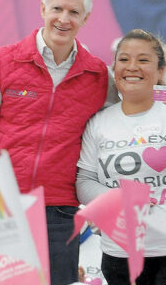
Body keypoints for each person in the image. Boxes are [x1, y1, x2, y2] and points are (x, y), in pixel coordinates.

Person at [0, 0, 119, 285]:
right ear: (43, 8)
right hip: (2, 206)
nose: (63, 18)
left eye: (73, 12)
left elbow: (122, 124)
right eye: (57, 8)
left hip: (61, 212)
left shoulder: (99, 76)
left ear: (86, 18)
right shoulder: (4, 62)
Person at [76, 29, 166, 285]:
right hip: (119, 255)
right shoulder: (99, 122)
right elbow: (84, 180)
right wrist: (120, 199)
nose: (132, 67)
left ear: (160, 71)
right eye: (124, 59)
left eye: (144, 60)